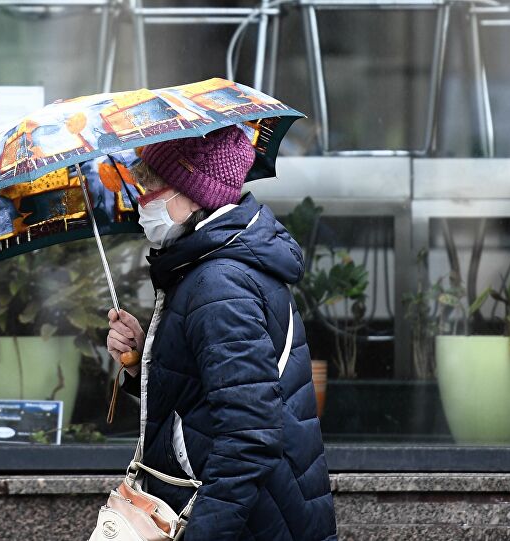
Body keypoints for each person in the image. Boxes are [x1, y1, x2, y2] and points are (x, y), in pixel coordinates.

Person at [106, 126, 337, 540]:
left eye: (152, 187)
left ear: (193, 192)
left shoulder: (219, 282)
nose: (142, 202)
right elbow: (204, 400)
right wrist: (144, 359)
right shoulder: (207, 268)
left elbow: (249, 436)